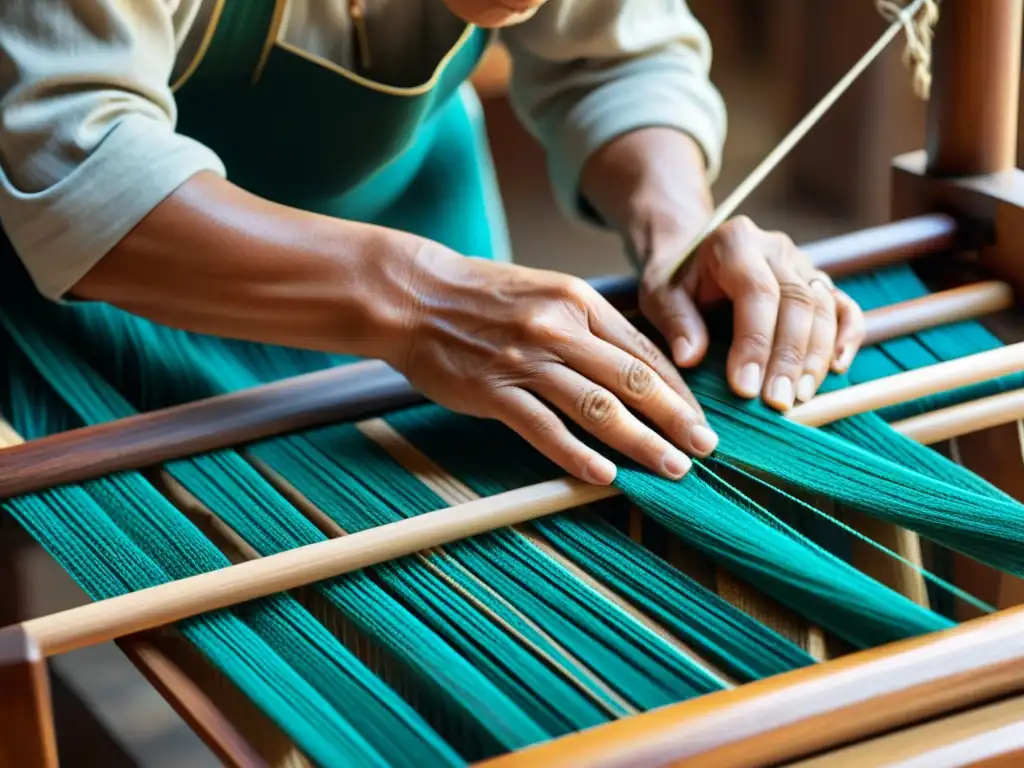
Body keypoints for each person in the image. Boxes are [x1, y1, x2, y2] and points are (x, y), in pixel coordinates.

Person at [0, 0, 863, 487]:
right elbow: (78, 167)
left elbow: (613, 56)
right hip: (93, 290)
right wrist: (419, 301)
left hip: (409, 209)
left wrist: (675, 226)